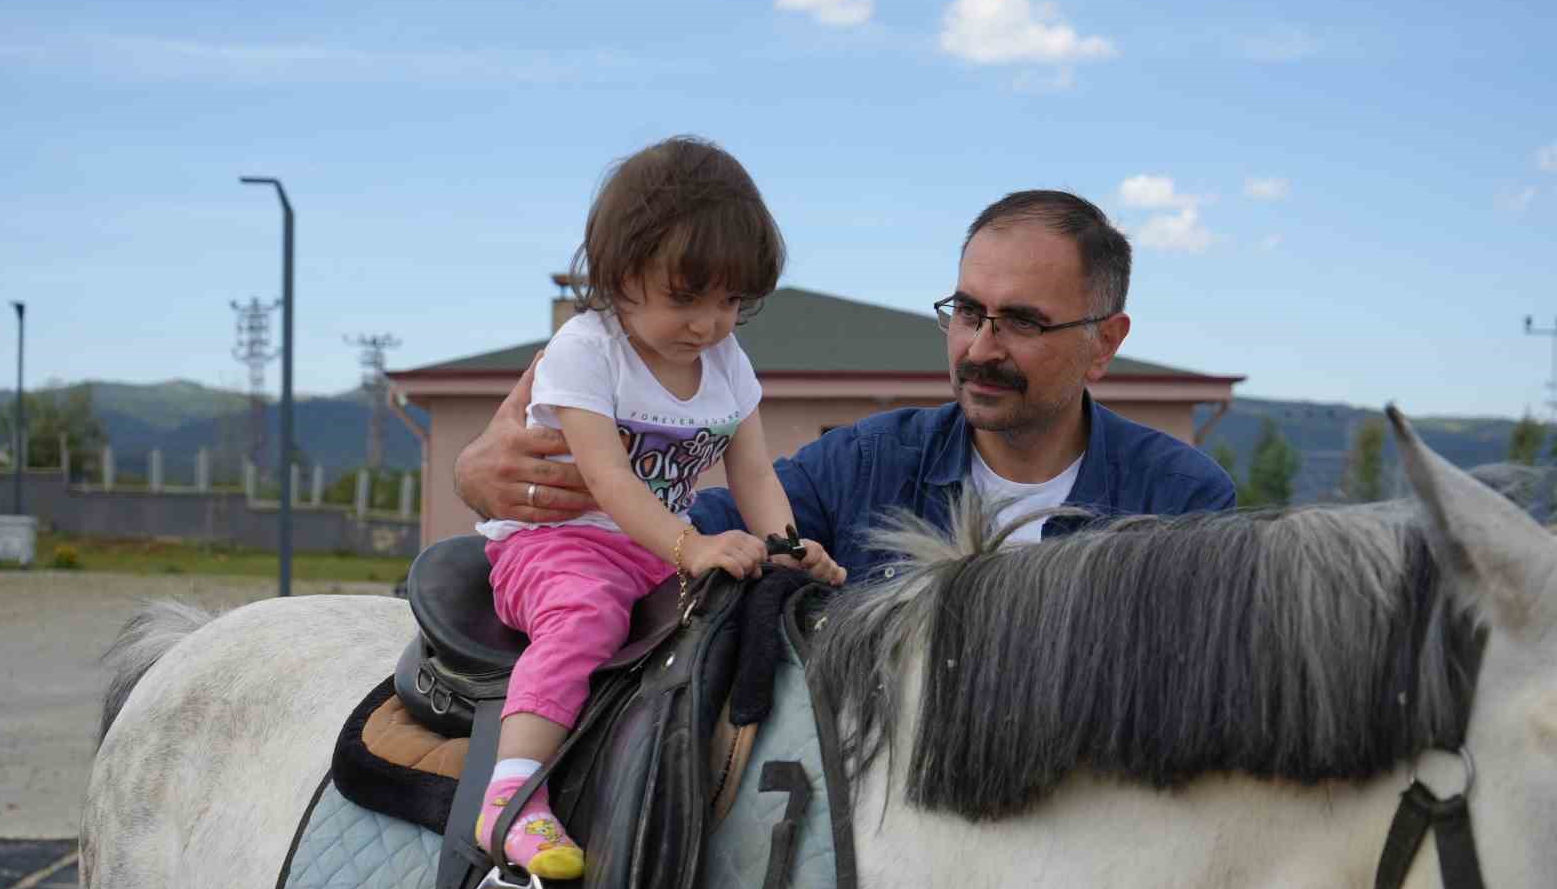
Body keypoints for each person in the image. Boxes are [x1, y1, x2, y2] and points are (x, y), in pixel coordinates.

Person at [455, 189, 1235, 587]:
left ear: (1106, 342)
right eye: (967, 312)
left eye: (1023, 322)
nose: (980, 348)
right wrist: (495, 483)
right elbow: (689, 526)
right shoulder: (862, 466)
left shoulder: (1182, 509)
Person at [473, 136, 845, 880]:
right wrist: (693, 546)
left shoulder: (727, 366)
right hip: (559, 543)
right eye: (685, 297)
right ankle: (511, 794)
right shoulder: (587, 349)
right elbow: (608, 479)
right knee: (584, 613)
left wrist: (783, 546)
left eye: (731, 301)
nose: (708, 323)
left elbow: (754, 473)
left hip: (654, 551)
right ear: (620, 274)